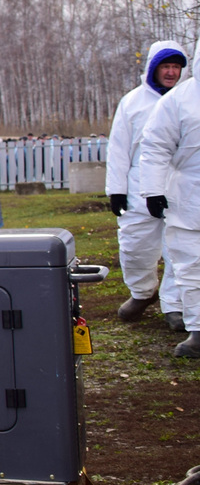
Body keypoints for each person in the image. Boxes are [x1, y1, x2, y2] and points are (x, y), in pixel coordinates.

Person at [106, 40, 187, 329]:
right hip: (139, 190)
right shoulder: (132, 103)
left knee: (180, 249)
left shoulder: (187, 101)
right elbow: (119, 149)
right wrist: (117, 190)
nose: (171, 72)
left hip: (178, 190)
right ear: (153, 68)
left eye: (176, 66)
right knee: (135, 246)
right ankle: (142, 293)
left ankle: (174, 306)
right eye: (165, 66)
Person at [139, 34, 200, 358]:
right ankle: (198, 331)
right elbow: (155, 147)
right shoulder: (178, 101)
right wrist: (153, 190)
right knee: (190, 267)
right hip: (189, 199)